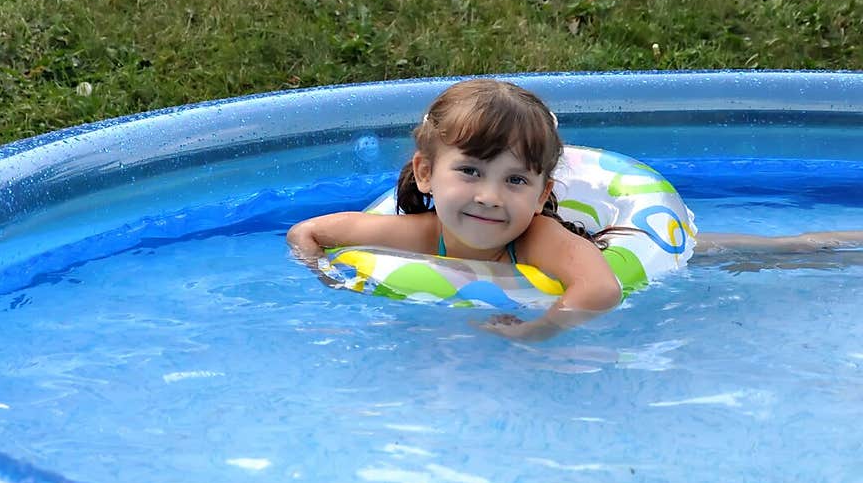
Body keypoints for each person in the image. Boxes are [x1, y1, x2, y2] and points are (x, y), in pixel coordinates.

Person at [286, 78, 863, 341]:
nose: (490, 195)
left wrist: (541, 330)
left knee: (768, 255)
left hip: (632, 246)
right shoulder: (415, 233)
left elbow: (601, 289)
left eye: (514, 180)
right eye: (470, 172)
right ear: (425, 174)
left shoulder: (541, 239)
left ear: (541, 196)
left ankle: (837, 241)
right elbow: (310, 231)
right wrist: (326, 276)